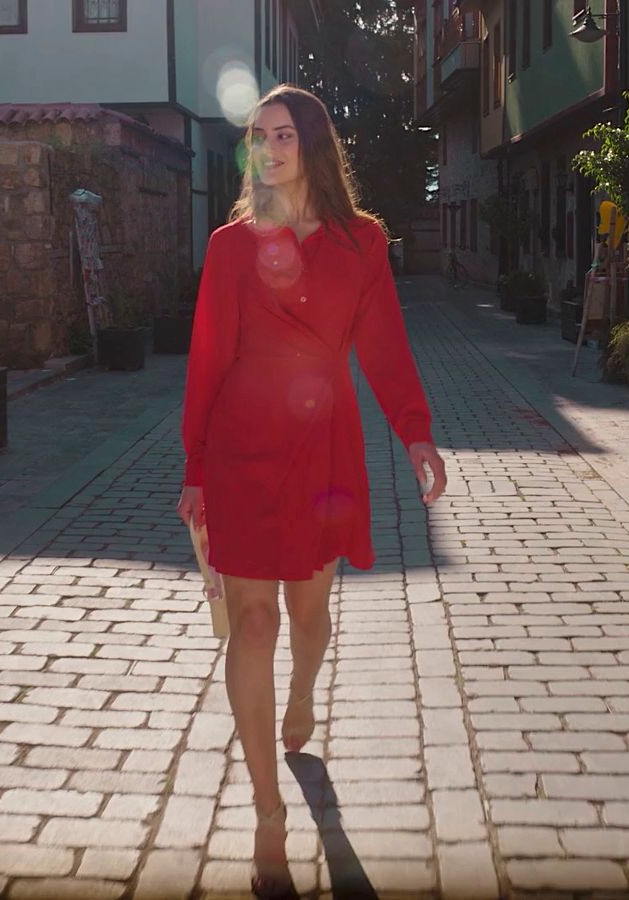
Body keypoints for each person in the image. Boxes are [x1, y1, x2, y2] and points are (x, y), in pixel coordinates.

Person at [175, 85, 448, 898]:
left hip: (324, 445)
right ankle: (267, 814)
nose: (268, 148)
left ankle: (302, 695)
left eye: (284, 134)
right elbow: (206, 359)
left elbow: (386, 346)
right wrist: (194, 466)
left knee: (309, 614)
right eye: (258, 136)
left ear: (315, 146)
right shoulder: (228, 249)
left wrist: (417, 429)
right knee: (251, 621)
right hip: (241, 453)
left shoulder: (361, 243)